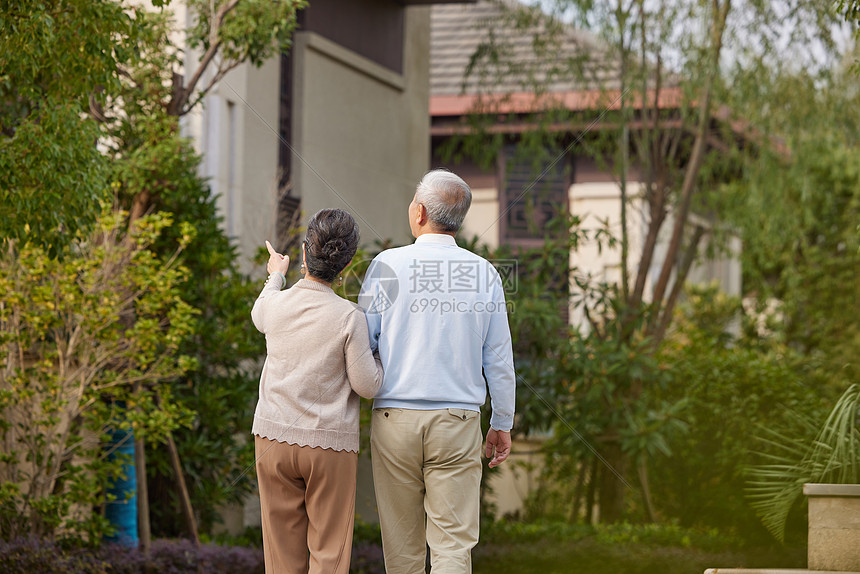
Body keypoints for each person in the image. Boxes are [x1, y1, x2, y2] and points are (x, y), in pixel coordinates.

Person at [358, 169, 516, 573]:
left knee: (402, 549)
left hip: (394, 419)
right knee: (452, 548)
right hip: (458, 420)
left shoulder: (386, 265)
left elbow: (361, 343)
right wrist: (501, 420)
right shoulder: (485, 273)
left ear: (420, 212)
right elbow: (498, 357)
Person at [251, 208, 384, 574]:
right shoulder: (349, 317)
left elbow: (259, 313)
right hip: (328, 445)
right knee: (329, 555)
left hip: (272, 439)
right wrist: (381, 355)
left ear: (306, 253)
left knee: (281, 555)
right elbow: (367, 385)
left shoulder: (275, 305)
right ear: (347, 263)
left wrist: (276, 274)